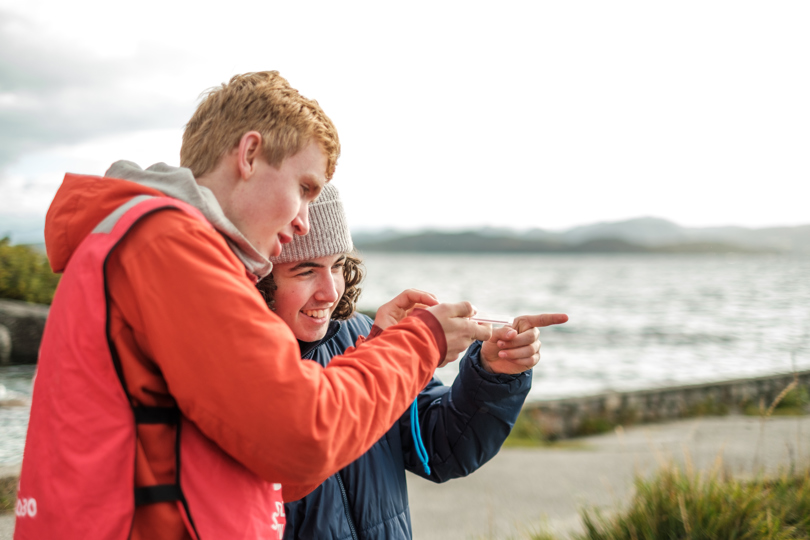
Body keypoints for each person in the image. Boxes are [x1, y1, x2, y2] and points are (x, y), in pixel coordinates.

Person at [14, 71, 491, 540]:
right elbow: (302, 437)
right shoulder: (169, 245)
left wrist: (382, 348)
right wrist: (422, 339)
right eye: (305, 189)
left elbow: (271, 462)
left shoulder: (143, 243)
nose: (305, 220)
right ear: (249, 154)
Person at [257, 183, 569, 539]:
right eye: (305, 271)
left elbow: (438, 450)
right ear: (260, 276)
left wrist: (493, 374)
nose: (331, 292)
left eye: (339, 265)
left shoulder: (360, 332)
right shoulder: (235, 363)